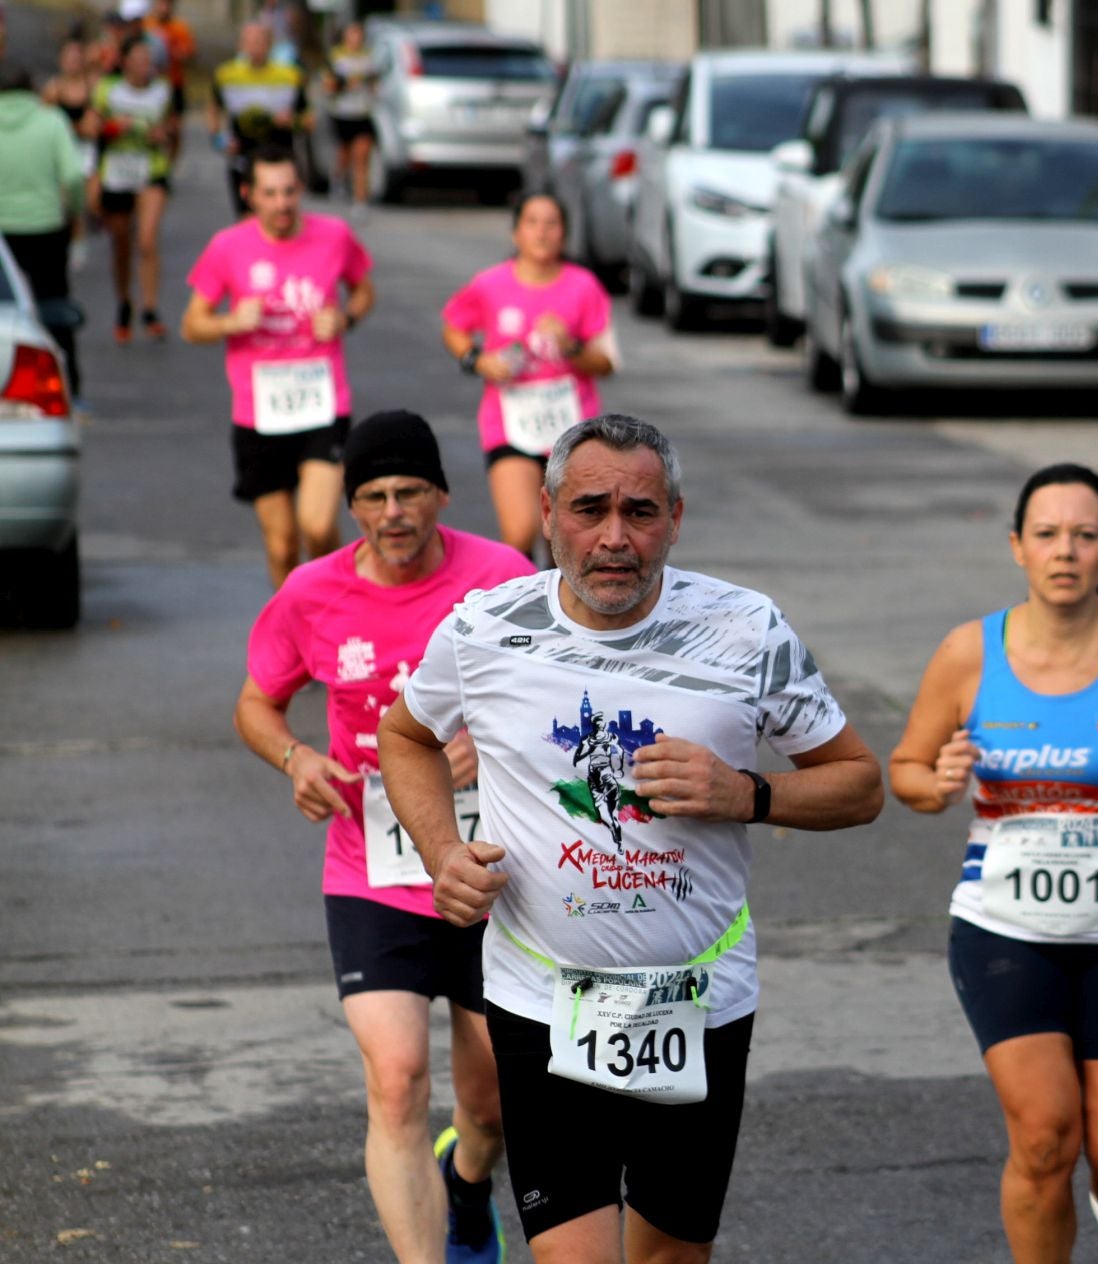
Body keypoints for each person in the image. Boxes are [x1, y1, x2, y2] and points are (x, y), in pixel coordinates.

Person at [377, 414, 884, 1263]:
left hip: (698, 999)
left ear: (675, 520)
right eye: (590, 508)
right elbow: (406, 736)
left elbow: (861, 783)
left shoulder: (746, 631)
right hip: (540, 997)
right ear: (545, 514)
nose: (615, 538)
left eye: (641, 512)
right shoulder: (484, 630)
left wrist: (746, 793)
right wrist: (441, 855)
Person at [890, 463, 1098, 1264]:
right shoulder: (968, 653)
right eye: (1047, 535)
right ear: (1018, 547)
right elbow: (904, 767)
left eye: (1085, 536)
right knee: (1045, 1139)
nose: (1066, 552)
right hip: (1004, 929)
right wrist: (933, 783)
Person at [234, 412, 534, 1264]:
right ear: (352, 505)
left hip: (485, 874)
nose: (393, 512)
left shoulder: (502, 578)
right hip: (369, 870)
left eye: (410, 492)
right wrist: (294, 757)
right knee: (396, 1080)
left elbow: (558, 690)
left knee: (492, 1106)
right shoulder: (312, 593)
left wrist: (501, 737)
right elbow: (255, 704)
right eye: (373, 496)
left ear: (441, 493)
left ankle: (468, 1185)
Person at [182, 145, 374, 588]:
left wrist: (346, 317)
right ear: (250, 195)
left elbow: (364, 291)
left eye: (289, 191)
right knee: (282, 544)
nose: (282, 203)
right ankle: (292, 639)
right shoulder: (228, 247)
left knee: (318, 526)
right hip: (259, 412)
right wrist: (231, 320)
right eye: (270, 193)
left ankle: (333, 605)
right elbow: (192, 325)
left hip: (322, 404)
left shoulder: (334, 235)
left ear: (301, 189)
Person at [441, 194, 616, 558]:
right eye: (532, 222)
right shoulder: (490, 284)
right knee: (520, 533)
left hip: (571, 430)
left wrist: (570, 347)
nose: (542, 232)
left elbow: (606, 362)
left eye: (552, 223)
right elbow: (453, 325)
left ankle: (564, 612)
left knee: (566, 544)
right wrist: (477, 359)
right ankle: (522, 612)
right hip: (510, 423)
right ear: (516, 233)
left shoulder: (583, 287)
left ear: (564, 234)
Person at [0, 61, 86, 404]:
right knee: (54, 306)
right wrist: (74, 212)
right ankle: (70, 389)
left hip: (2, 236)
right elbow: (73, 177)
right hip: (46, 226)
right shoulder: (51, 122)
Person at [89, 34, 176, 342]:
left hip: (151, 170)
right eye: (139, 59)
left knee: (147, 240)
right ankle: (124, 301)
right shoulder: (107, 89)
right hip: (116, 171)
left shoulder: (163, 91)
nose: (144, 65)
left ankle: (150, 308)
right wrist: (113, 127)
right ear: (124, 61)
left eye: (148, 60)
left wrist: (161, 135)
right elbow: (90, 127)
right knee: (121, 243)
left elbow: (171, 130)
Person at [211, 21, 307, 217]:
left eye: (260, 41)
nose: (255, 47)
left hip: (279, 161)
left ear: (270, 44)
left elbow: (309, 119)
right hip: (243, 158)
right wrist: (219, 140)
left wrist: (292, 122)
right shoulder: (226, 75)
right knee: (247, 223)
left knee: (276, 220)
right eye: (250, 41)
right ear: (241, 45)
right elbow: (213, 109)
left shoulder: (290, 76)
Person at [40, 37, 97, 274]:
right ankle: (70, 239)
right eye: (69, 58)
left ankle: (79, 234)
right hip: (62, 151)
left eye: (77, 57)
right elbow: (43, 123)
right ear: (61, 61)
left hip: (85, 151)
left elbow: (92, 128)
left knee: (85, 199)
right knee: (65, 199)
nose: (73, 62)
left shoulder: (92, 86)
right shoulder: (52, 89)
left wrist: (67, 127)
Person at [322, 21, 376, 213]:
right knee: (344, 155)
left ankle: (360, 201)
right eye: (352, 34)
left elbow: (375, 83)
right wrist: (344, 85)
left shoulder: (369, 57)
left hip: (362, 113)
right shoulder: (337, 56)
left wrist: (373, 87)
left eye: (358, 34)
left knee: (361, 157)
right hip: (342, 113)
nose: (355, 38)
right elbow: (328, 85)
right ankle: (338, 180)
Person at [143, 0, 195, 159]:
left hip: (174, 84)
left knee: (175, 128)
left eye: (167, 4)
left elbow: (189, 54)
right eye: (160, 4)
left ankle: (170, 162)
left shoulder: (180, 28)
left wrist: (174, 52)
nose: (163, 8)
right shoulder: (147, 25)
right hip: (151, 84)